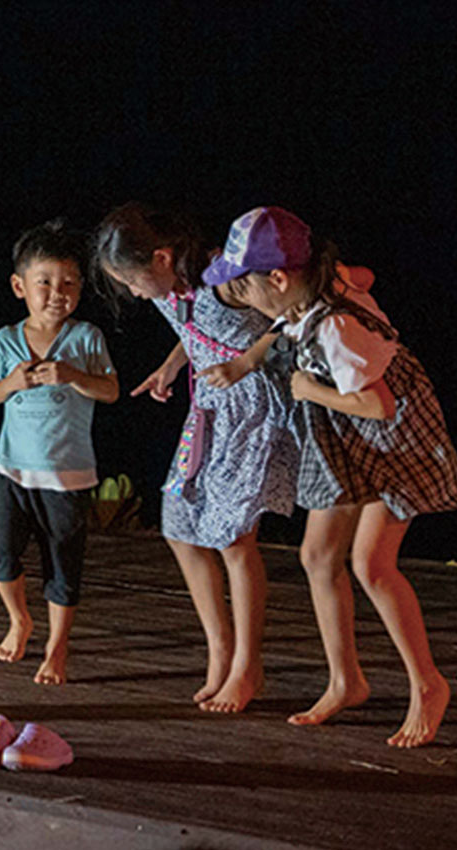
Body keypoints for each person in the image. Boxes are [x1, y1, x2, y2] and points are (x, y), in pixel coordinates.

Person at [199, 207, 457, 747]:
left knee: (372, 564)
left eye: (245, 288)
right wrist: (244, 364)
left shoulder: (336, 327)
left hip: (394, 441)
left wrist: (309, 390)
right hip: (347, 439)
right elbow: (285, 327)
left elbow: (379, 404)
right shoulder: (315, 288)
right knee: (318, 556)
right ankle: (346, 681)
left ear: (279, 278)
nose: (243, 299)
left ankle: (428, 683)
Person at [93, 203, 299, 713]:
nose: (134, 292)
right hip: (208, 413)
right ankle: (221, 650)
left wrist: (245, 362)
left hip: (251, 412)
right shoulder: (171, 288)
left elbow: (294, 314)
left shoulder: (222, 279)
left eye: (132, 280)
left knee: (234, 538)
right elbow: (194, 331)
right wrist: (170, 364)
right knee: (179, 525)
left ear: (161, 258)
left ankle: (247, 666)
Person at [0, 220, 118, 685]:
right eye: (45, 282)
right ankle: (19, 619)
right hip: (11, 470)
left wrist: (73, 376)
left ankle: (57, 646)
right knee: (0, 554)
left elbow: (111, 390)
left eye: (69, 283)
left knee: (62, 566)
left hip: (68, 476)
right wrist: (11, 383)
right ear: (20, 286)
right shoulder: (5, 339)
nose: (57, 293)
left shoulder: (86, 337)